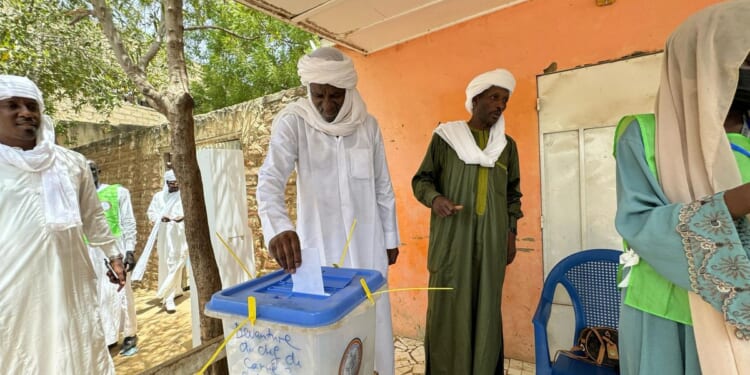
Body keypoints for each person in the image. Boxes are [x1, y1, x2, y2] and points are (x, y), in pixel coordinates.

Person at [613, 2, 750, 374]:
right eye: (744, 58)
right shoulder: (643, 134)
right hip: (670, 311)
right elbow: (638, 224)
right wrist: (739, 201)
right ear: (698, 62)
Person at [257, 46, 400, 375]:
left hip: (368, 246)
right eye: (318, 96)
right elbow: (269, 180)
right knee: (328, 335)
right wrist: (277, 226)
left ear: (349, 91)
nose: (326, 106)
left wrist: (390, 237)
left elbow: (382, 185)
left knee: (372, 322)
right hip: (321, 249)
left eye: (335, 97)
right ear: (308, 90)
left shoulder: (368, 126)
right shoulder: (294, 121)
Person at [0, 75, 126, 374]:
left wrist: (114, 255)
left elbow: (93, 215)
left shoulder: (72, 163)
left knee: (78, 343)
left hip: (71, 278)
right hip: (13, 285)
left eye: (32, 105)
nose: (25, 112)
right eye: (12, 105)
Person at [412, 69, 523, 374]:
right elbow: (422, 180)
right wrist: (436, 199)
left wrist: (510, 233)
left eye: (505, 100)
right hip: (452, 240)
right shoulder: (446, 138)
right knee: (449, 306)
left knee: (486, 308)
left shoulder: (506, 146)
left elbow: (513, 194)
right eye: (494, 97)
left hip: (491, 242)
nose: (500, 105)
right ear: (475, 100)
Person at [87, 160, 139, 355]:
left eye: (92, 169)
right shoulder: (78, 197)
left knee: (121, 293)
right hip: (89, 250)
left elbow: (127, 221)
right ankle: (108, 335)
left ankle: (129, 334)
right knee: (98, 295)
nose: (89, 174)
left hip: (114, 249)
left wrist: (129, 250)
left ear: (98, 171)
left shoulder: (118, 192)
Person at [145, 169, 188, 313]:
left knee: (179, 261)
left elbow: (188, 212)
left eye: (177, 183)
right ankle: (169, 296)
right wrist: (160, 218)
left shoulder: (183, 195)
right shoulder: (159, 197)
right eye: (172, 183)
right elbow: (151, 213)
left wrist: (181, 218)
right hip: (165, 233)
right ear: (167, 183)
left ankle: (172, 293)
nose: (175, 185)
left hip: (179, 232)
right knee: (168, 262)